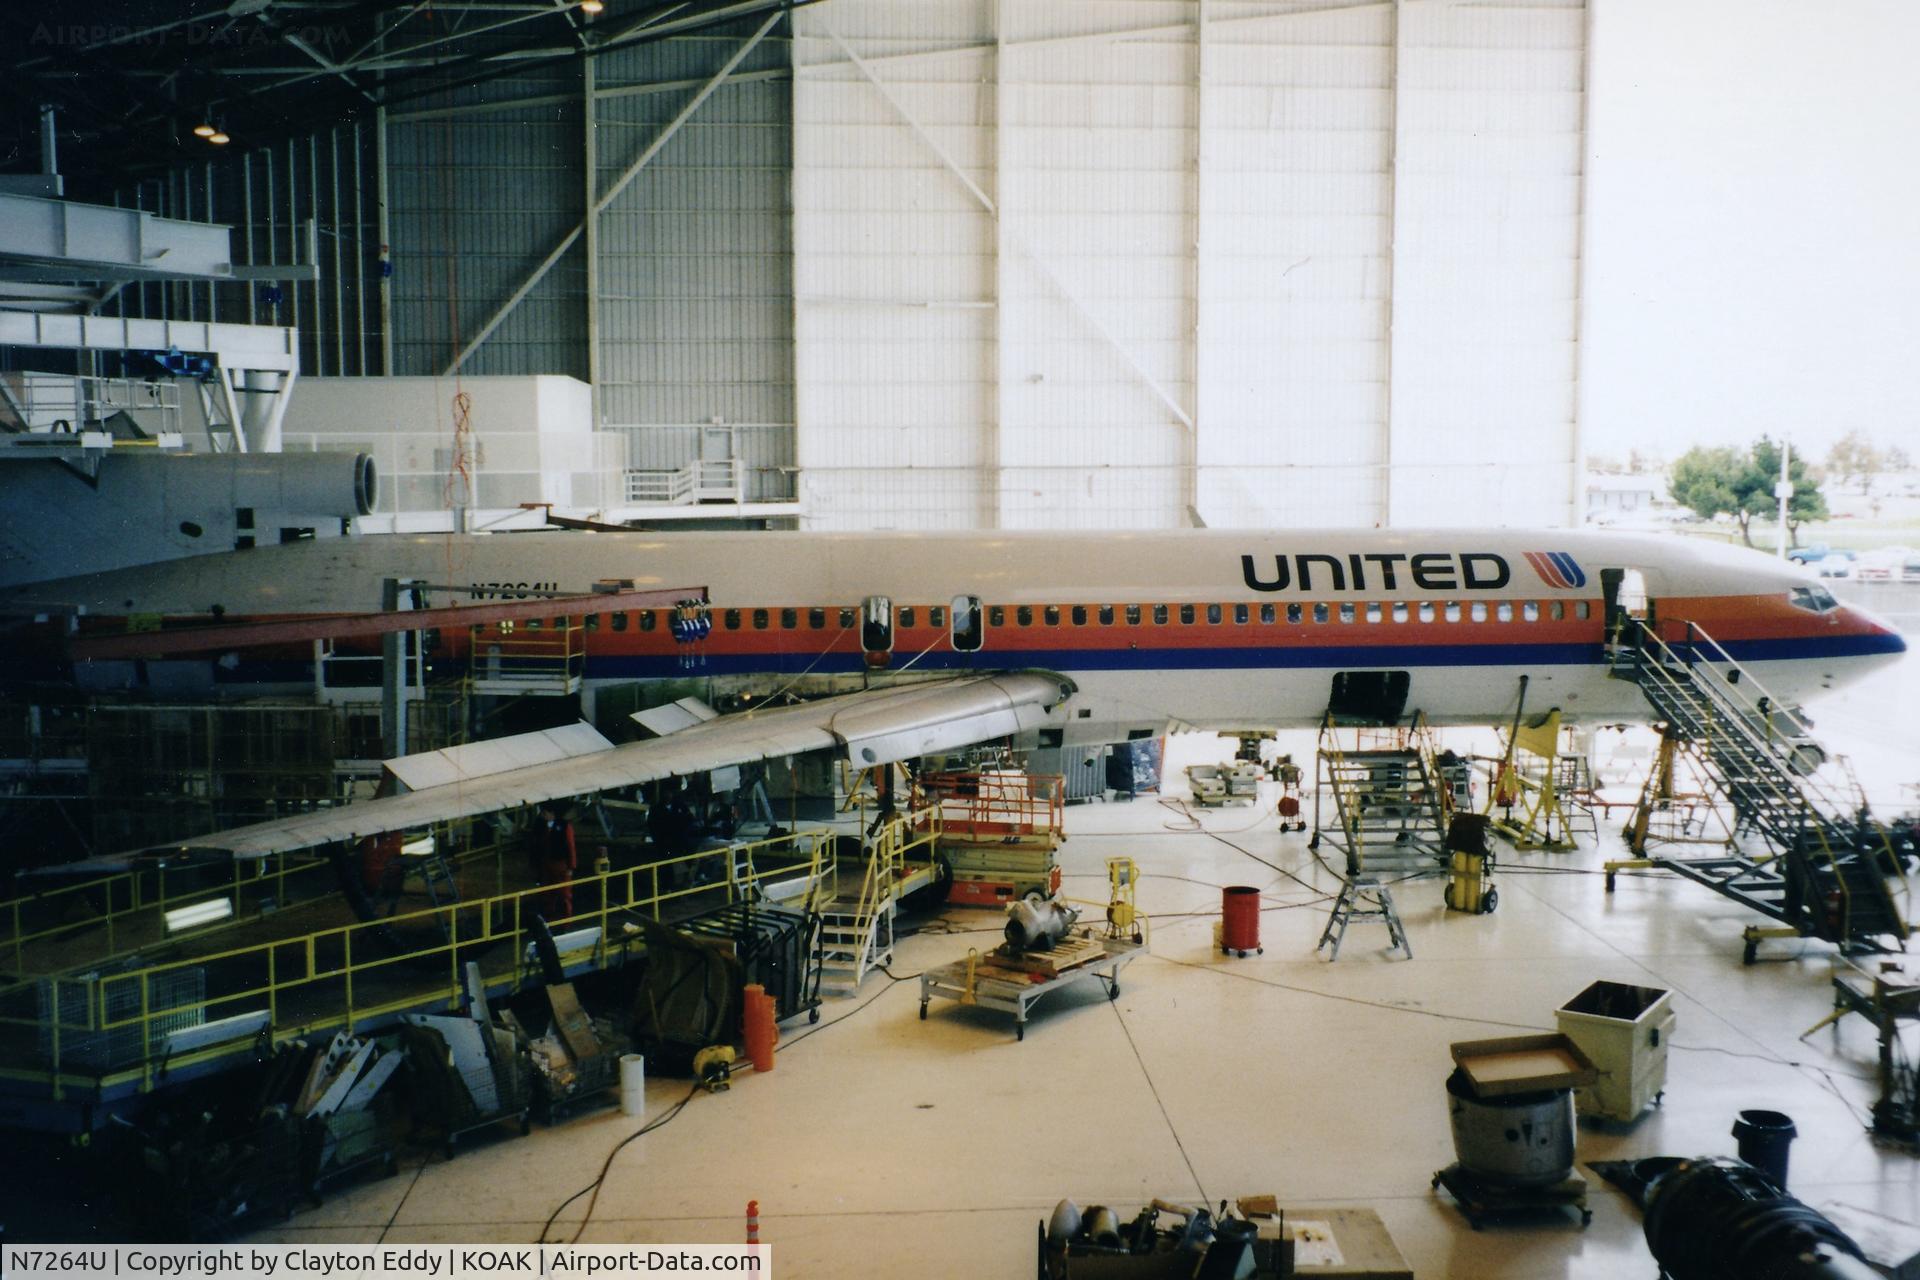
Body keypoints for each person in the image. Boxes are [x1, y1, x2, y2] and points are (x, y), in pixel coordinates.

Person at [533, 802, 577, 921]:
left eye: (544, 813)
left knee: (564, 895)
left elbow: (570, 846)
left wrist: (570, 867)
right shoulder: (540, 826)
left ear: (551, 813)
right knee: (546, 894)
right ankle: (550, 919)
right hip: (545, 864)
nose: (542, 815)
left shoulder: (564, 826)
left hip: (560, 864)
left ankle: (565, 921)